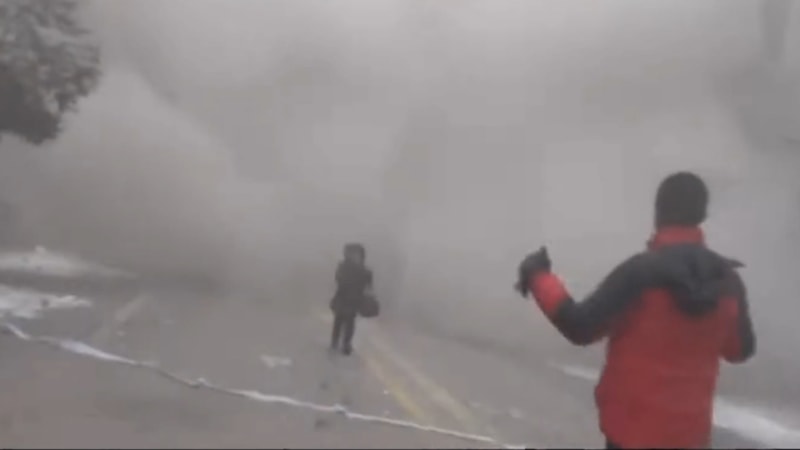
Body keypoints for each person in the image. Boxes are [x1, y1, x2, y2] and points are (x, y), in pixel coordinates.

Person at [515, 171, 756, 449]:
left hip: (631, 435)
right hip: (690, 438)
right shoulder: (727, 281)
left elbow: (580, 326)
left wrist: (538, 276)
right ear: (702, 215)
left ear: (658, 213)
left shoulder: (640, 273)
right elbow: (740, 350)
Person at [330, 243, 373, 355]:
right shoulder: (344, 267)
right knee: (339, 320)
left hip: (354, 299)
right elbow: (338, 279)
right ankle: (336, 341)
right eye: (352, 254)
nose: (355, 256)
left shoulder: (363, 270)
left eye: (357, 254)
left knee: (349, 321)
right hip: (343, 297)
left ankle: (345, 344)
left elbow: (368, 285)